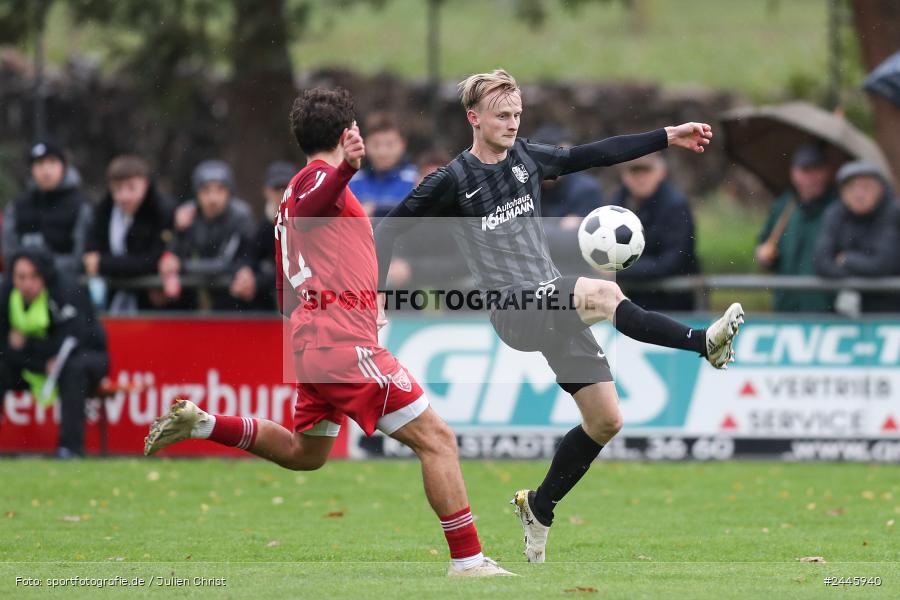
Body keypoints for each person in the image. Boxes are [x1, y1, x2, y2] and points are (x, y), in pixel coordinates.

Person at [374, 69, 744, 563]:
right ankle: (704, 342)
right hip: (514, 309)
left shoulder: (526, 156)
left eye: (516, 115)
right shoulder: (451, 181)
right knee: (603, 293)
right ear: (474, 118)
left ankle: (539, 506)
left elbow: (595, 152)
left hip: (549, 303)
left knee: (605, 420)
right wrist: (376, 298)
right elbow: (386, 232)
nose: (511, 123)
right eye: (502, 116)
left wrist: (667, 137)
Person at [144, 87, 513, 577]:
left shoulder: (289, 196)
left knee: (306, 454)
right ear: (348, 133)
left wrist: (347, 305)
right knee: (438, 439)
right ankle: (468, 562)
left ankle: (205, 424)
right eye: (355, 129)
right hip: (342, 343)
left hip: (314, 343)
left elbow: (284, 290)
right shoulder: (321, 182)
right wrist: (346, 170)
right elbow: (321, 200)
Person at [0, 248, 109, 457]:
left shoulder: (65, 290)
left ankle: (70, 449)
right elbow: (6, 347)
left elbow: (72, 340)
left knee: (72, 369)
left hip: (86, 356)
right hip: (35, 364)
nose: (27, 284)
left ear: (44, 276)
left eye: (34, 276)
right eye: (21, 277)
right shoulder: (7, 295)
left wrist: (26, 345)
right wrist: (41, 361)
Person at [607, 152, 700, 311]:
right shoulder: (618, 202)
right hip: (633, 300)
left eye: (646, 171)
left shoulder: (675, 206)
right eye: (634, 172)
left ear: (661, 173)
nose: (640, 178)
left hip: (674, 302)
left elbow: (672, 263)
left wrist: (617, 270)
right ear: (625, 176)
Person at [83, 155, 175, 313]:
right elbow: (90, 256)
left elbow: (154, 260)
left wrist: (105, 264)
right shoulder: (103, 212)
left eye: (131, 188)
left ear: (145, 185)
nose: (124, 196)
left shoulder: (161, 211)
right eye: (118, 189)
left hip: (151, 305)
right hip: (110, 299)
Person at [755, 144, 838, 313]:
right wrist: (764, 254)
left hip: (827, 306)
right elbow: (765, 245)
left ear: (827, 173)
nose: (811, 177)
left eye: (817, 170)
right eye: (805, 170)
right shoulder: (784, 206)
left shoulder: (839, 208)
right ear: (794, 174)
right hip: (786, 305)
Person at [164, 160, 256, 311]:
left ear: (229, 192)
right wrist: (180, 232)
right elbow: (172, 258)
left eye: (220, 190)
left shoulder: (240, 216)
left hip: (235, 298)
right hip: (193, 300)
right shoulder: (187, 214)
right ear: (197, 193)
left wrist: (182, 266)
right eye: (206, 190)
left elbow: (225, 263)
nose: (213, 198)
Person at [814, 161, 900, 313]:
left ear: (881, 188)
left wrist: (846, 259)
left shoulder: (893, 213)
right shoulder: (834, 213)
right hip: (846, 314)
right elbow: (821, 262)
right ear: (842, 192)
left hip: (891, 313)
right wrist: (858, 276)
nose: (859, 194)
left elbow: (884, 265)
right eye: (852, 187)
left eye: (866, 187)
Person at [3, 141, 93, 274]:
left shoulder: (81, 206)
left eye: (52, 162)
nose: (46, 170)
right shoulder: (17, 206)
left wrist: (40, 268)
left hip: (67, 284)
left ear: (63, 166)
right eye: (39, 164)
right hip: (23, 286)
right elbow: (9, 254)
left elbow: (80, 258)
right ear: (31, 169)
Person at [233, 160, 297, 311]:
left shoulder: (307, 224)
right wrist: (245, 272)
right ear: (267, 191)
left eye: (286, 188)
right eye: (277, 188)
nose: (282, 194)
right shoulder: (263, 225)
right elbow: (250, 255)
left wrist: (257, 280)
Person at [348, 112, 418, 217]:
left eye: (390, 145)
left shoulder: (417, 179)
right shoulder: (353, 181)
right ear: (365, 144)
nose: (382, 152)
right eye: (376, 145)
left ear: (403, 145)